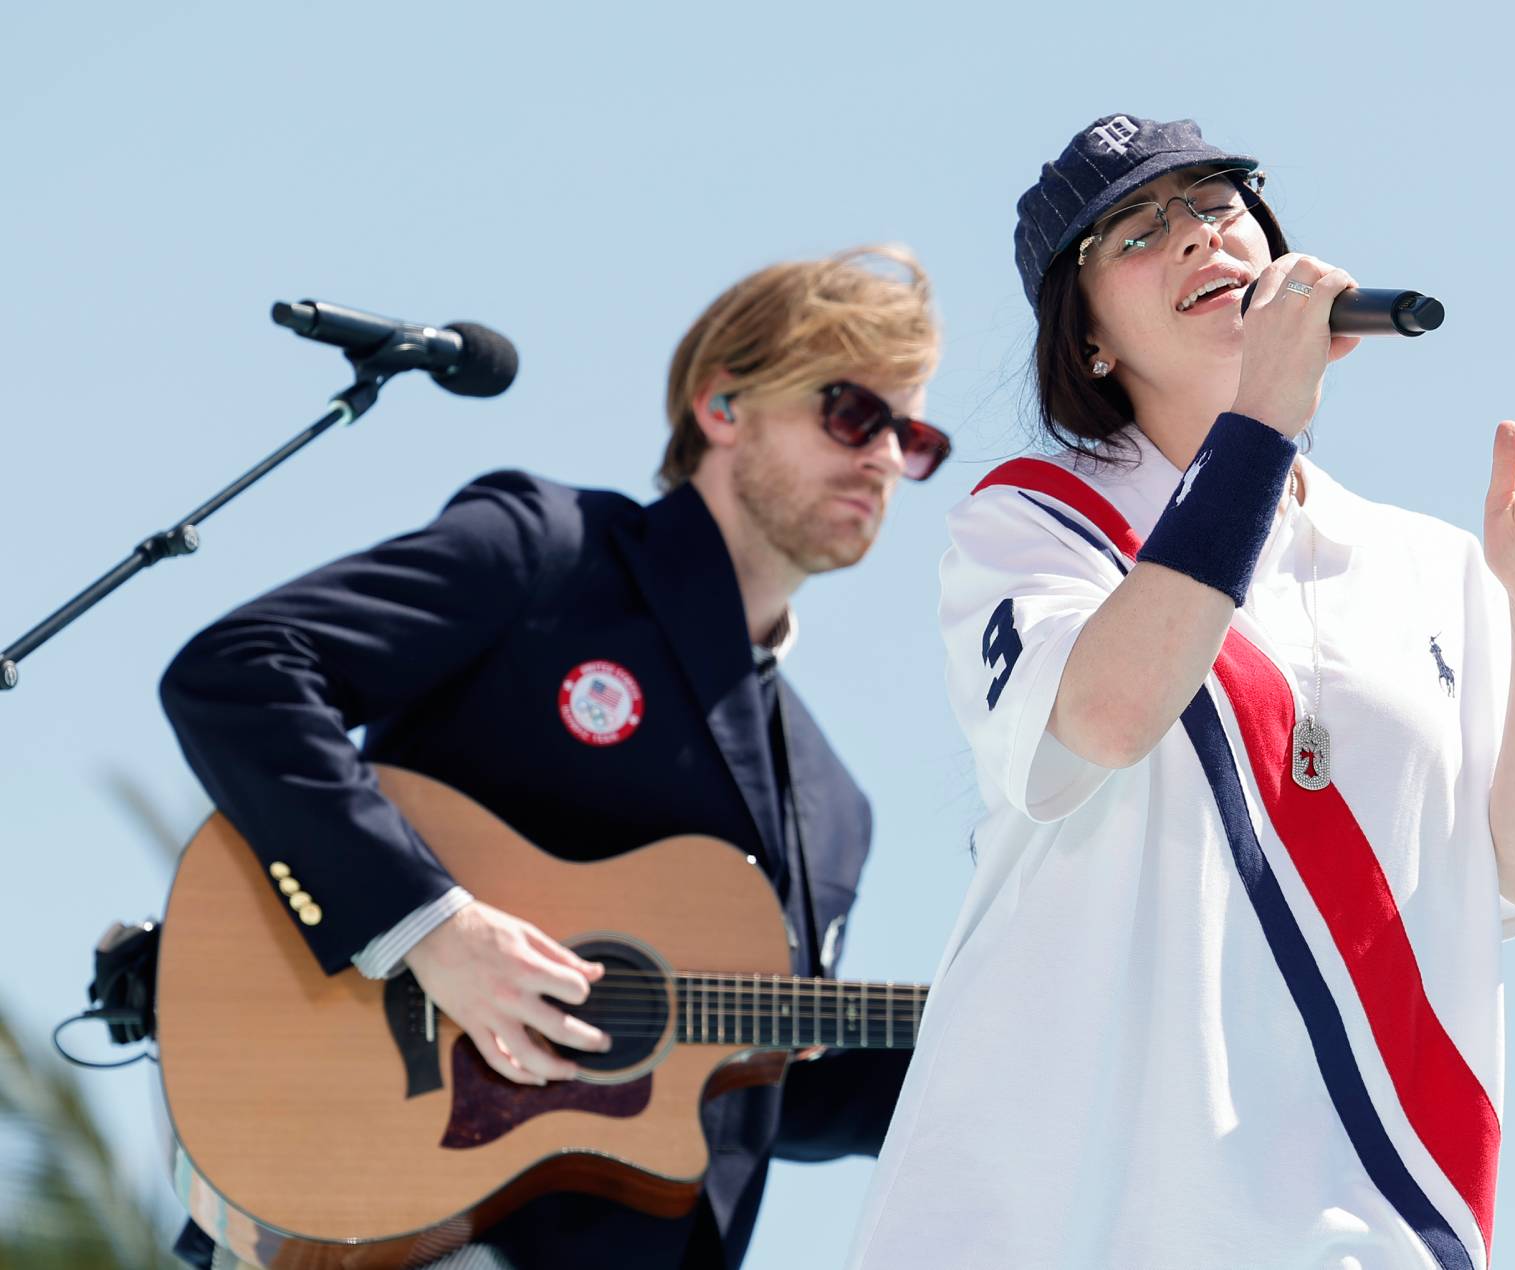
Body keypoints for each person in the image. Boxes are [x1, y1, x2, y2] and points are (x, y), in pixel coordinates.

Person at [845, 116, 1515, 1270]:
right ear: (1088, 345)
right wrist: (1258, 419)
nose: (1194, 237)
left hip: (1363, 1220)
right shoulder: (1034, 525)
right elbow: (1110, 716)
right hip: (1065, 1219)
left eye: (1219, 204)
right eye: (1133, 229)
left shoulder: (1431, 562)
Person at [158, 246, 951, 1269]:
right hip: (396, 1224)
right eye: (852, 413)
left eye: (913, 434)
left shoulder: (837, 807)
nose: (885, 455)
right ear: (722, 405)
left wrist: (979, 1056)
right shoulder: (549, 553)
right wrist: (432, 927)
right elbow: (243, 672)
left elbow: (738, 1081)